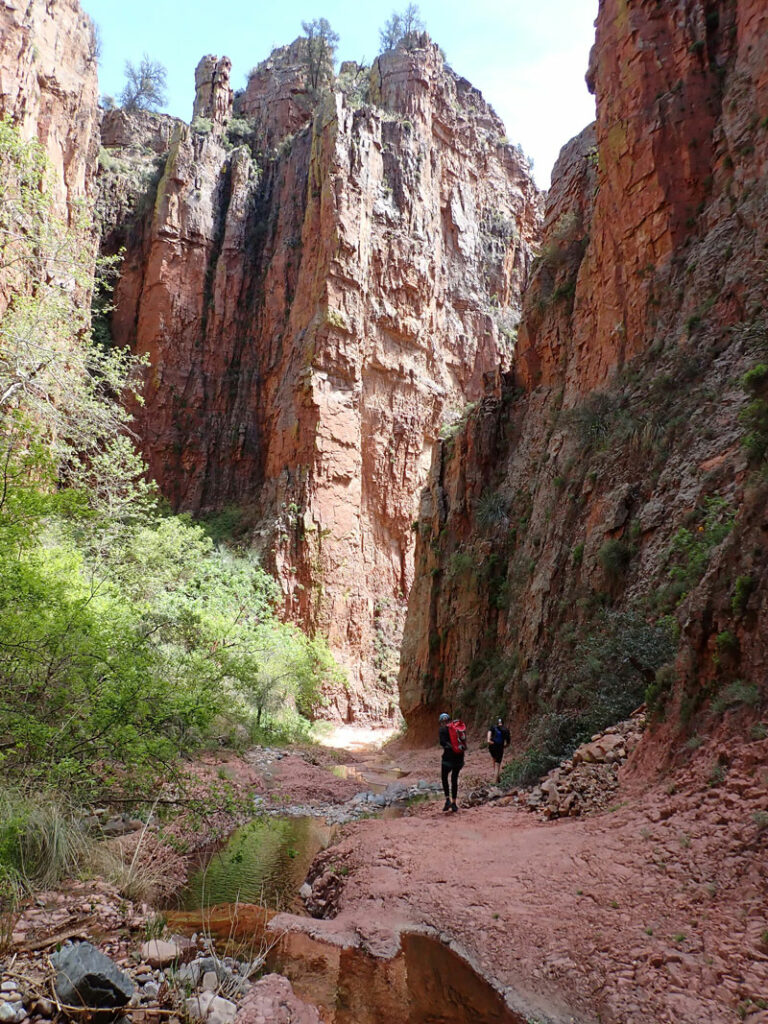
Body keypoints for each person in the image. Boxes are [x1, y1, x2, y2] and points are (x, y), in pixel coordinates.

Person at [438, 712, 464, 813]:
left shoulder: (442, 730)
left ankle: (447, 800)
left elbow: (442, 742)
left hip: (447, 758)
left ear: (441, 722)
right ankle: (454, 803)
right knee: (454, 779)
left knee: (444, 778)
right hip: (459, 758)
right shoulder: (457, 729)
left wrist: (449, 746)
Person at [487, 716, 511, 784]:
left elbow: (489, 733)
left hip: (492, 746)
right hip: (499, 747)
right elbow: (508, 743)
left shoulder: (493, 727)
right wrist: (504, 746)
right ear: (503, 723)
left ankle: (497, 778)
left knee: (494, 759)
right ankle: (495, 781)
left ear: (497, 722)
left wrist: (488, 740)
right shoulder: (506, 730)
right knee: (498, 763)